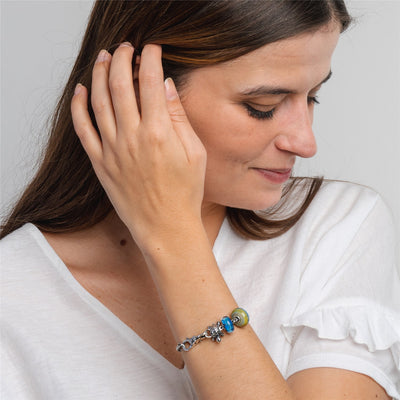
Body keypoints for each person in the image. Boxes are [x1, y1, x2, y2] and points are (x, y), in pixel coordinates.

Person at [1, 1, 399, 399]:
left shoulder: (334, 226)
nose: (305, 143)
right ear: (140, 91)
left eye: (313, 97)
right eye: (263, 107)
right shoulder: (13, 293)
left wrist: (172, 240)